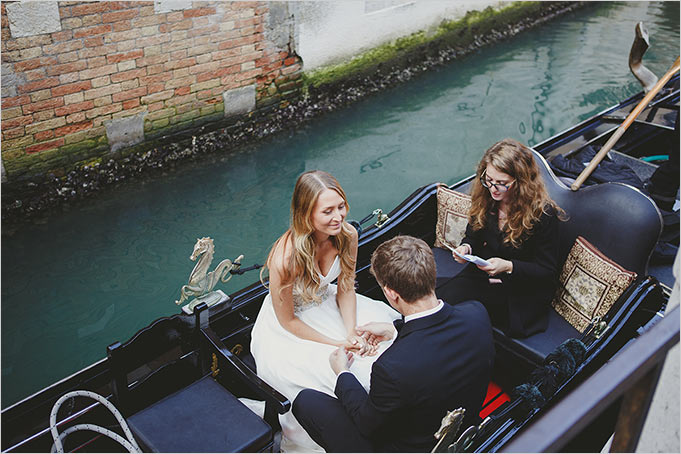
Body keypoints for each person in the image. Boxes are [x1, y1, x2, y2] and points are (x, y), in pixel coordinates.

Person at [293, 235, 494, 452]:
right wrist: (394, 329)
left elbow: (366, 424)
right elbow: (439, 342)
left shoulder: (391, 368)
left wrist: (342, 372)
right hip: (467, 426)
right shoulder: (477, 314)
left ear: (390, 293)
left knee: (306, 402)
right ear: (432, 274)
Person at [250, 170, 401, 452]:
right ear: (306, 214)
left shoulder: (347, 235)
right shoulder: (285, 259)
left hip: (329, 303)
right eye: (328, 211)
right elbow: (288, 321)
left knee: (379, 349)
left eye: (341, 206)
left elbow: (345, 289)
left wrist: (351, 331)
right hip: (290, 327)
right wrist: (339, 343)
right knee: (332, 374)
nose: (339, 217)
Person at [437, 138, 565, 338]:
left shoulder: (543, 214)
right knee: (438, 296)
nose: (493, 188)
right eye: (488, 180)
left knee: (451, 307)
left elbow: (546, 271)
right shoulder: (487, 198)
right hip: (486, 276)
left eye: (502, 184)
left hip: (522, 291)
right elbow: (472, 236)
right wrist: (466, 249)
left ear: (521, 182)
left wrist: (508, 266)